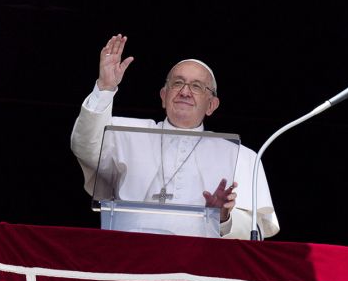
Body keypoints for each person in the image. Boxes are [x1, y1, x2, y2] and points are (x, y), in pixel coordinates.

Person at [71, 34, 279, 239]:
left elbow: (255, 234)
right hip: (130, 257)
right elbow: (85, 147)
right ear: (163, 96)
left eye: (197, 86)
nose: (185, 92)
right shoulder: (124, 132)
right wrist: (105, 88)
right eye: (178, 83)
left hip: (198, 264)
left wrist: (223, 217)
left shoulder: (241, 156)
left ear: (211, 105)